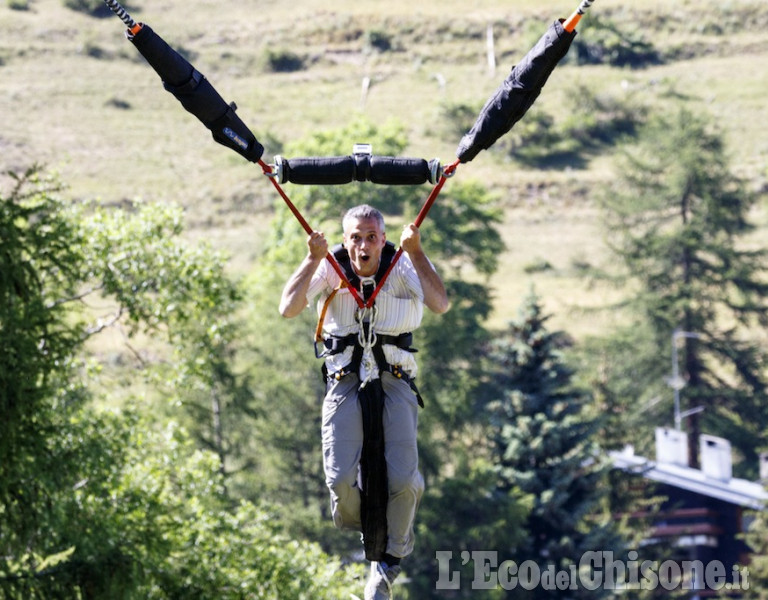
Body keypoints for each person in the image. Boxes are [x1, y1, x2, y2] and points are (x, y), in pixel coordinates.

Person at [279, 204, 448, 600]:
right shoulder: (330, 266)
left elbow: (440, 303)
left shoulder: (403, 264)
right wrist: (311, 258)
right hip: (344, 379)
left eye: (372, 237)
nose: (363, 245)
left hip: (395, 379)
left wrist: (418, 251)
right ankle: (370, 525)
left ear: (383, 240)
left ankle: (389, 561)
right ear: (345, 241)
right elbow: (288, 308)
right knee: (339, 480)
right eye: (355, 237)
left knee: (405, 480)